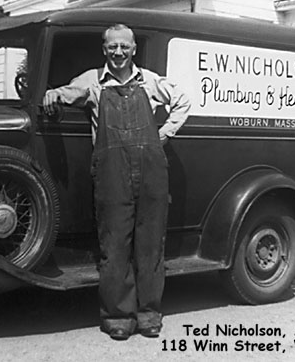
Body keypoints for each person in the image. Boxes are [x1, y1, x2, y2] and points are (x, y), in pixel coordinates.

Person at [43, 24, 190, 341]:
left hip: (151, 171)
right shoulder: (92, 82)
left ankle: (149, 313)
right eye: (112, 47)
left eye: (124, 46)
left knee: (150, 244)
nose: (118, 52)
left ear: (133, 48)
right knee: (115, 245)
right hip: (111, 174)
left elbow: (183, 101)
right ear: (104, 49)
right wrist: (52, 94)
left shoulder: (150, 81)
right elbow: (65, 94)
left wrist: (163, 135)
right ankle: (118, 316)